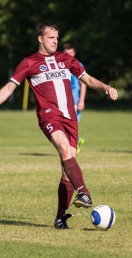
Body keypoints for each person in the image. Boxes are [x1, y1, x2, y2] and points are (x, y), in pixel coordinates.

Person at [0, 22, 118, 229]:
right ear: (40, 38)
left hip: (70, 118)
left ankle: (60, 217)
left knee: (67, 169)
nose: (55, 41)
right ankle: (84, 192)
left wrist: (106, 87)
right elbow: (9, 88)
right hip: (49, 117)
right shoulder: (29, 63)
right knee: (64, 148)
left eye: (56, 38)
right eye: (51, 38)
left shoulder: (66, 60)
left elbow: (87, 79)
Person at [63, 43, 86, 154]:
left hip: (74, 100)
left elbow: (84, 83)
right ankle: (77, 141)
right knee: (62, 125)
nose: (70, 56)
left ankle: (74, 144)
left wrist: (81, 100)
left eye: (71, 53)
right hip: (62, 101)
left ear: (74, 53)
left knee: (71, 125)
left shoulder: (78, 64)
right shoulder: (60, 65)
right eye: (67, 54)